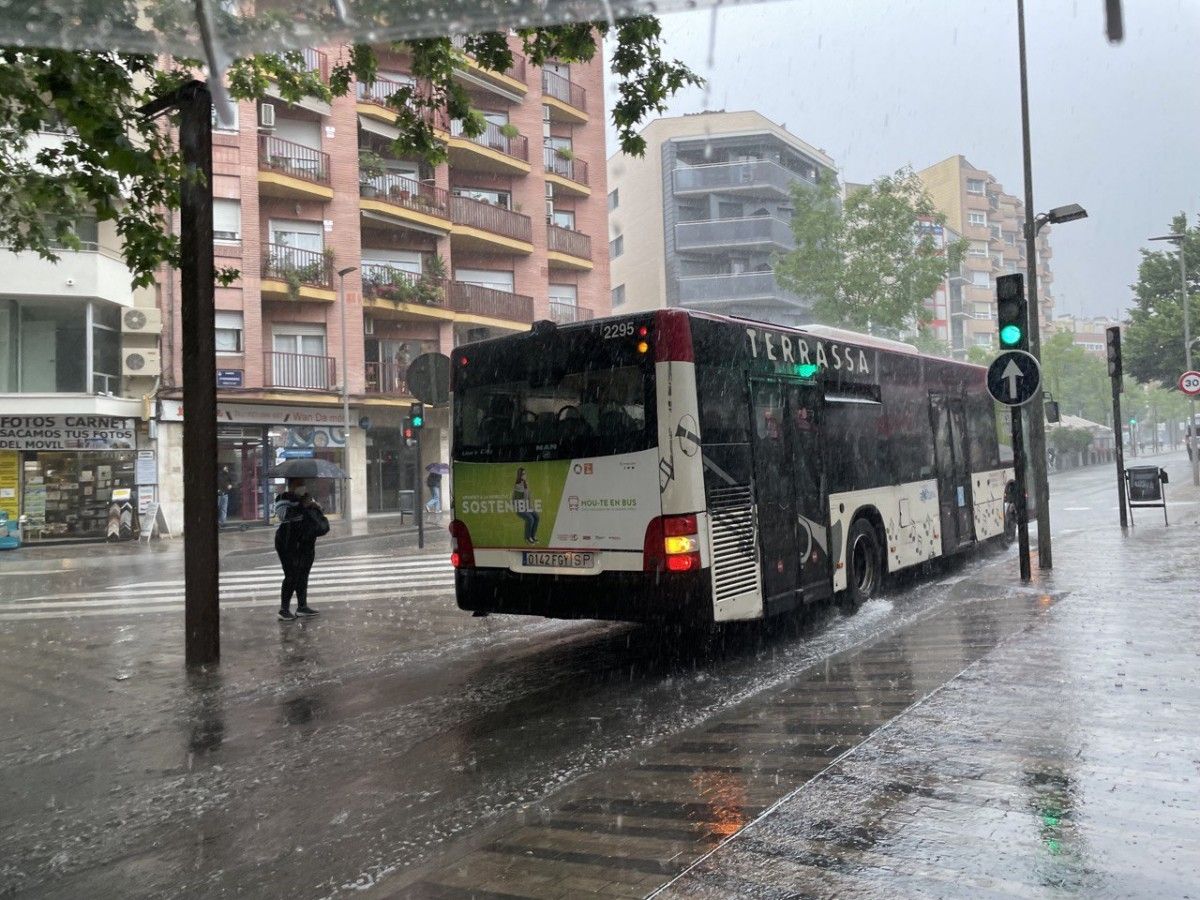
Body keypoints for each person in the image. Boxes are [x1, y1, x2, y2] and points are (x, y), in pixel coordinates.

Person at [274, 477, 329, 621]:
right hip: (288, 541)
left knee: (303, 573)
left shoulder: (308, 497)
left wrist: (316, 507)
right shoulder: (283, 498)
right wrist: (302, 506)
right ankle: (284, 609)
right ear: (291, 485)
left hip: (306, 541)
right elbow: (283, 515)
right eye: (299, 484)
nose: (302, 487)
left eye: (303, 484)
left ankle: (302, 606)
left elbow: (317, 517)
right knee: (291, 574)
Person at [512, 467, 539, 544]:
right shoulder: (518, 486)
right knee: (530, 519)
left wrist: (530, 506)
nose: (525, 475)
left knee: (536, 516)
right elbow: (518, 500)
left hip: (527, 507)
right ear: (520, 475)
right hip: (520, 508)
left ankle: (533, 536)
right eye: (523, 474)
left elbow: (528, 496)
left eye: (525, 473)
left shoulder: (525, 483)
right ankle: (527, 537)